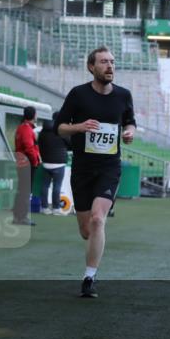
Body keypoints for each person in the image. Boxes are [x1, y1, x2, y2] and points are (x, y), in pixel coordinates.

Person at [56, 47, 135, 298]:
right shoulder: (78, 94)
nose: (110, 66)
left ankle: (89, 278)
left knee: (99, 219)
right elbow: (59, 129)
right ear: (92, 67)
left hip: (109, 167)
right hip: (82, 168)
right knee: (86, 230)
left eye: (112, 62)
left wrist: (130, 131)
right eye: (104, 62)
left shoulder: (123, 95)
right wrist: (79, 127)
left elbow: (130, 120)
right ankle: (92, 252)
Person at [12, 106, 41, 225]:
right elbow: (29, 148)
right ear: (33, 115)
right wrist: (35, 161)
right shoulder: (27, 129)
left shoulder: (21, 128)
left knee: (22, 190)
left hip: (22, 162)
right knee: (25, 190)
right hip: (27, 163)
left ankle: (18, 216)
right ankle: (22, 217)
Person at [37, 111, 69, 215]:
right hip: (59, 163)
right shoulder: (62, 131)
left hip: (46, 162)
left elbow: (39, 144)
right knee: (57, 186)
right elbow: (70, 144)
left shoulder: (43, 131)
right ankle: (56, 208)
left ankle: (44, 207)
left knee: (45, 186)